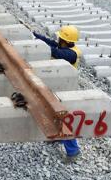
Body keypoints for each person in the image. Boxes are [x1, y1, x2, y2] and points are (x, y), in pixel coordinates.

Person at [33, 25, 82, 162]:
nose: (58, 39)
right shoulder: (65, 47)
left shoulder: (72, 54)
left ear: (65, 40)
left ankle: (73, 150)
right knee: (53, 114)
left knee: (63, 118)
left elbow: (56, 52)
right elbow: (50, 42)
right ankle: (58, 137)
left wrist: (41, 46)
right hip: (58, 87)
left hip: (66, 90)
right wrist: (35, 35)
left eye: (60, 37)